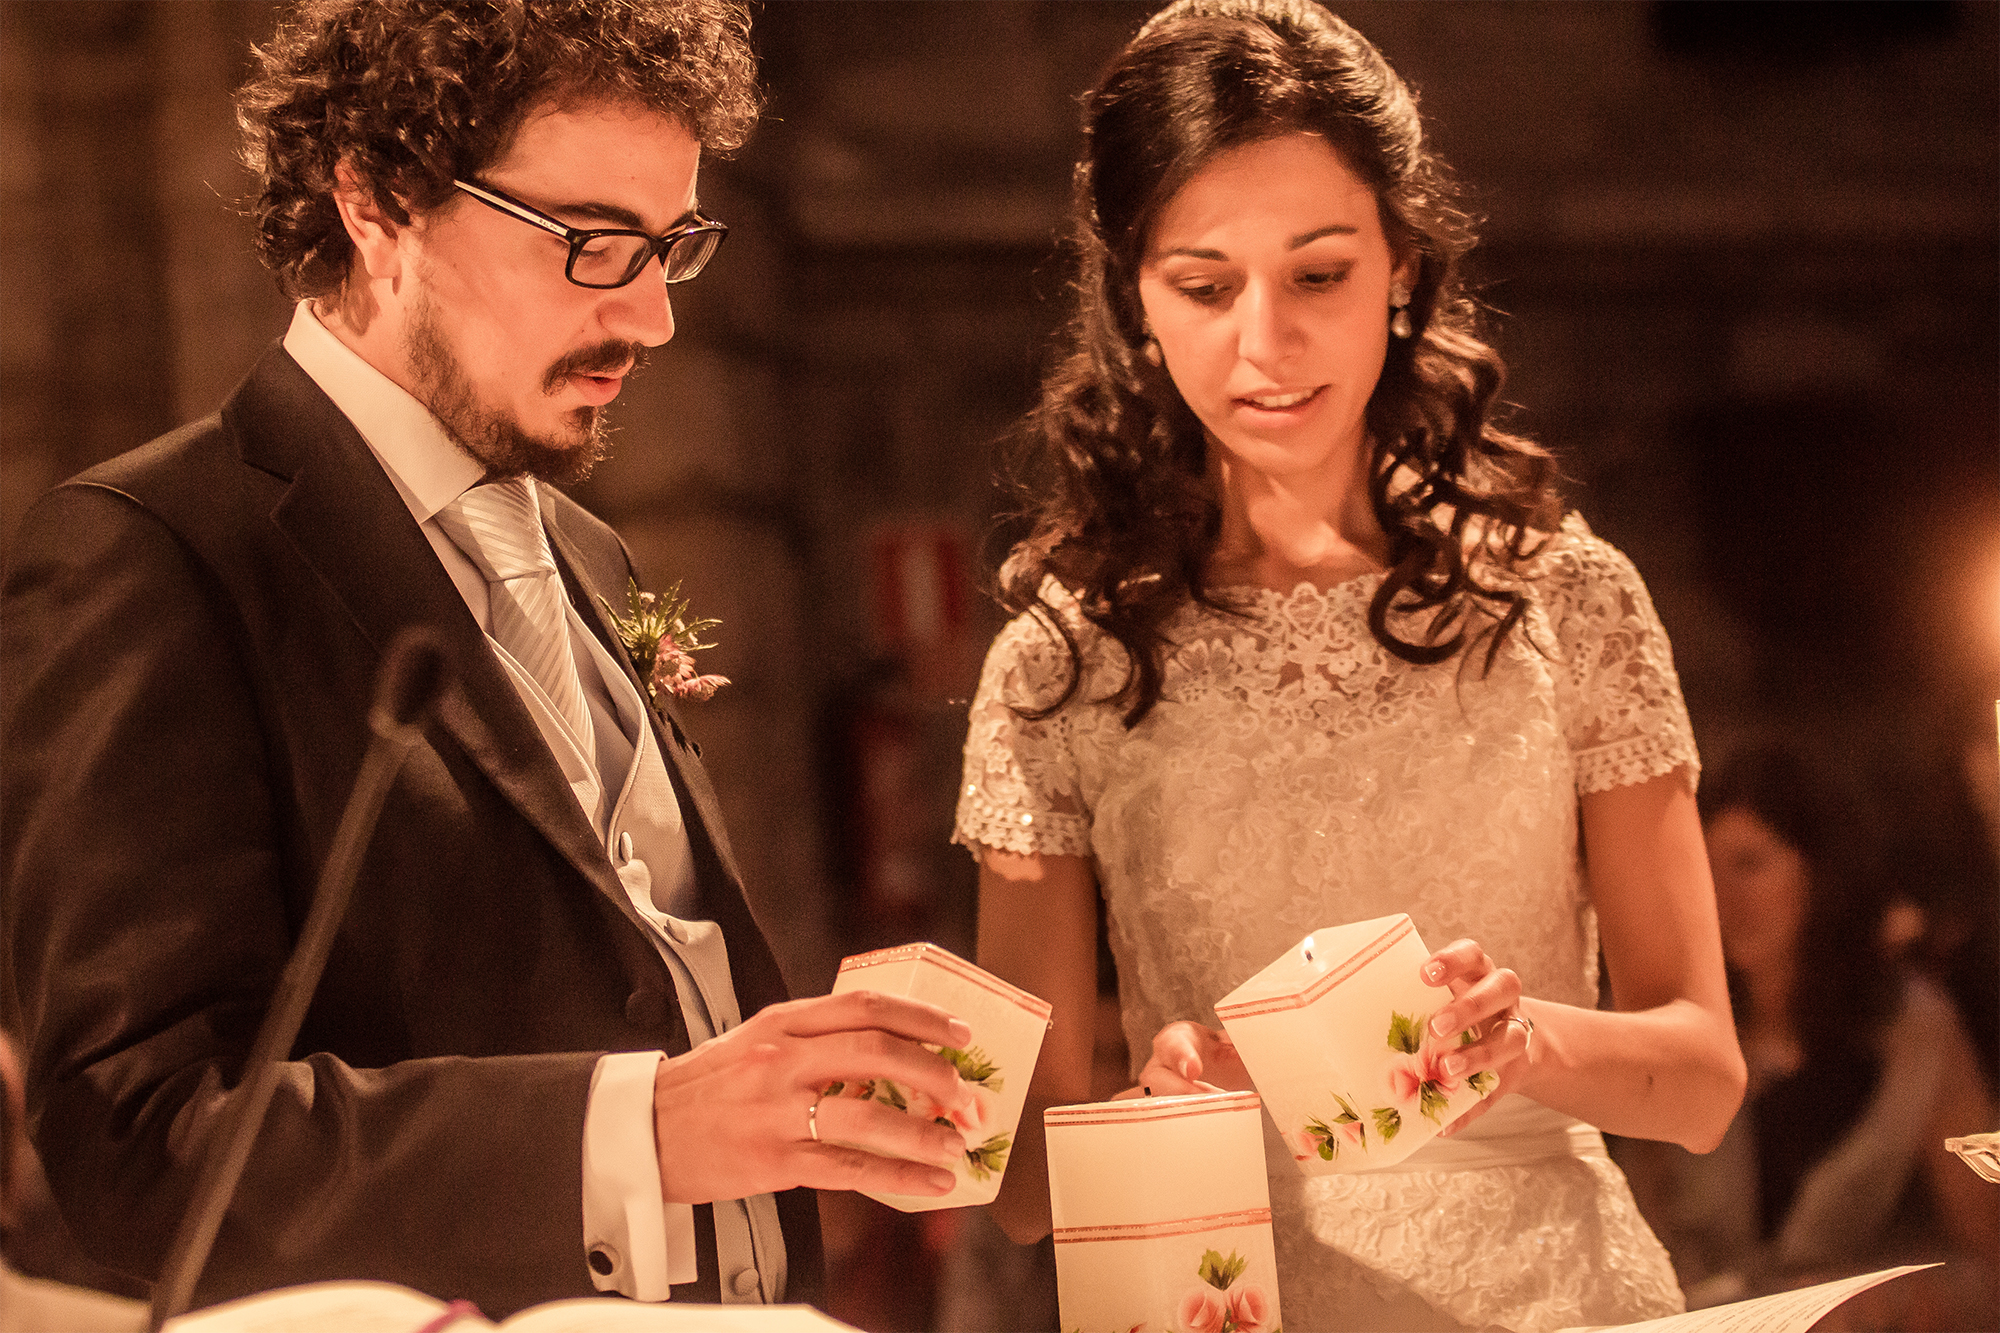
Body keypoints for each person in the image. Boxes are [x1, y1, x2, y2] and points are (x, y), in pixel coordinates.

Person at [0, 0, 979, 1317]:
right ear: (377, 202)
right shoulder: (155, 551)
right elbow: (139, 1134)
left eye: (671, 247)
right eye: (593, 245)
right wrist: (643, 1126)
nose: (652, 319)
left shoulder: (586, 554)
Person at [955, 2, 1747, 1328]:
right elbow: (1020, 1184)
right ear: (1136, 301)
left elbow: (1707, 1074)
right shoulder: (1063, 664)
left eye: (1318, 273)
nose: (1265, 341)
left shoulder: (1569, 597)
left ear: (1398, 266)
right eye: (1205, 287)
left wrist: (1520, 1040)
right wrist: (1143, 1115)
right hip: (1232, 1293)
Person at [1623, 739, 1997, 1327]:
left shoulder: (1913, 1031)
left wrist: (1872, 1298)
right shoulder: (1671, 1024)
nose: (1722, 897)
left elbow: (1988, 1249)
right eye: (1706, 868)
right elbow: (1638, 1229)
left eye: (1749, 864)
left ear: (1821, 872)